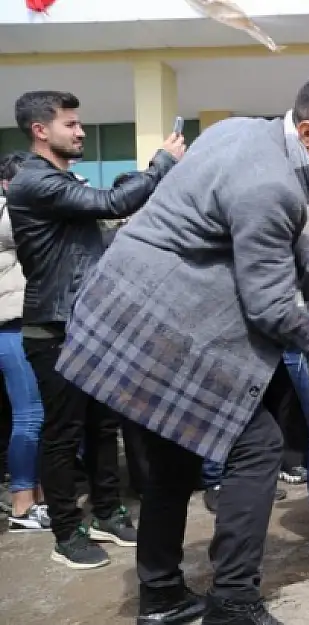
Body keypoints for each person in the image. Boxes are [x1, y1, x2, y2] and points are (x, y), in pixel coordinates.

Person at [55, 70, 309, 624]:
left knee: (174, 466)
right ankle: (233, 602)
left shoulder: (243, 132)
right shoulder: (271, 187)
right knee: (257, 449)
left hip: (137, 311)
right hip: (159, 325)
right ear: (307, 132)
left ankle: (160, 597)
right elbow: (273, 309)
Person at [6, 90, 183, 569]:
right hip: (55, 328)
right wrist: (162, 162)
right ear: (41, 130)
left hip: (94, 324)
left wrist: (147, 172)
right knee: (62, 435)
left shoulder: (61, 181)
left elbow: (107, 217)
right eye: (72, 124)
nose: (81, 131)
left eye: (80, 124)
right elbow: (111, 203)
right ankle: (67, 532)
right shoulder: (34, 183)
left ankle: (106, 512)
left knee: (102, 428)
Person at [0, 151, 49, 532]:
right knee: (30, 414)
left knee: (36, 415)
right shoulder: (8, 215)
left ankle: (36, 498)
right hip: (10, 328)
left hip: (24, 324)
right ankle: (21, 503)